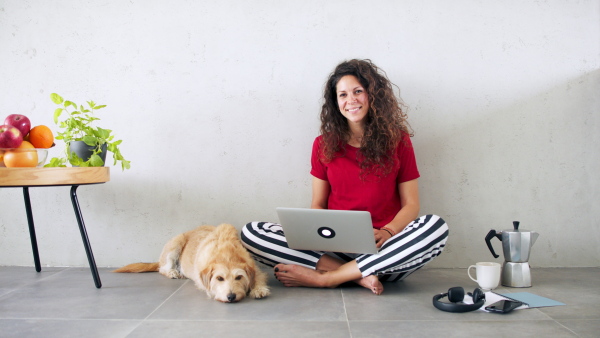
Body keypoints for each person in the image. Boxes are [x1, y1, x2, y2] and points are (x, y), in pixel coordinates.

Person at [241, 59, 449, 295]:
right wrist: (320, 235)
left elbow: (412, 205)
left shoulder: (398, 141)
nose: (351, 100)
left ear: (373, 95)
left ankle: (329, 278)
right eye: (343, 95)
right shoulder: (323, 145)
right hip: (334, 249)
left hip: (387, 252)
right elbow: (317, 205)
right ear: (335, 101)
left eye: (358, 91)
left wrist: (388, 232)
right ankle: (356, 275)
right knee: (252, 232)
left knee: (436, 227)